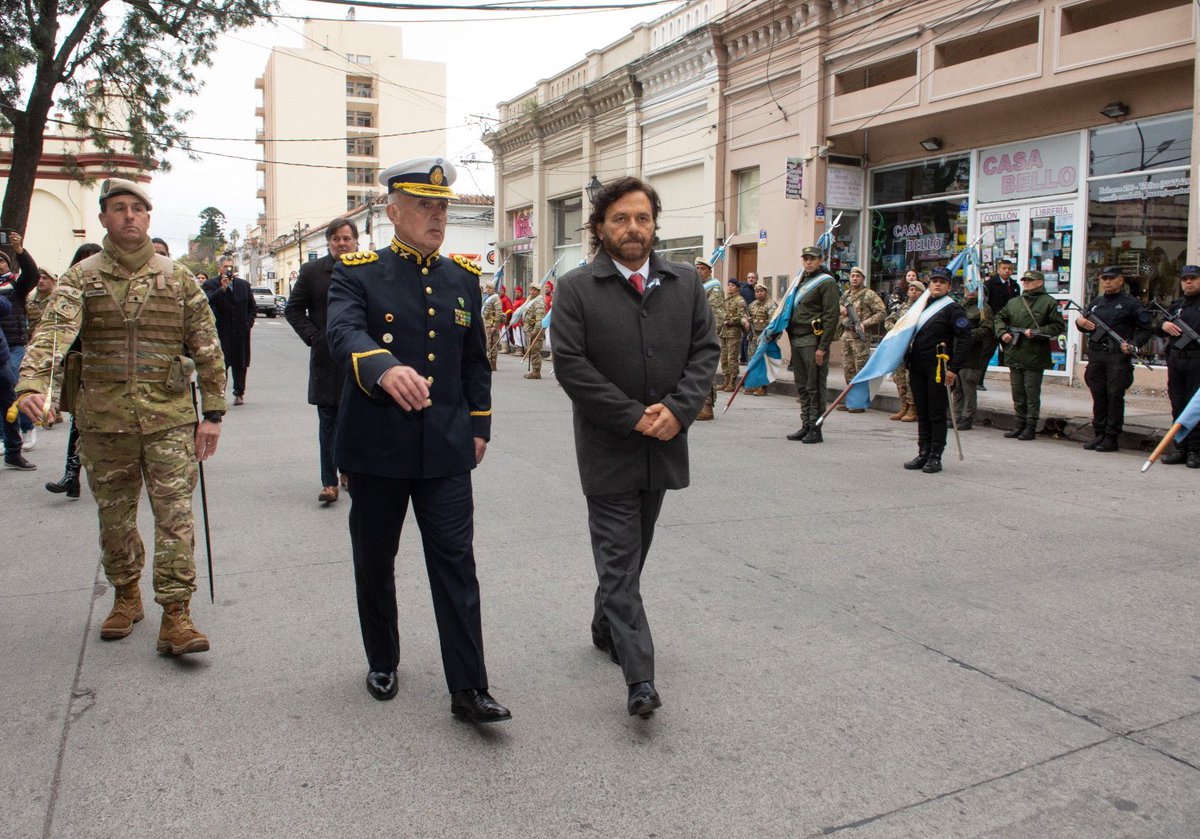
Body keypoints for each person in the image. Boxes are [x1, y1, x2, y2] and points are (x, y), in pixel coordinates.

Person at [325, 156, 509, 723]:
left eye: (442, 207)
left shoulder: (461, 278)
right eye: (424, 206)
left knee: (456, 563)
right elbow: (342, 331)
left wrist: (478, 426)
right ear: (393, 210)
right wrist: (382, 366)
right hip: (377, 448)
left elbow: (475, 360)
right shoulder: (356, 271)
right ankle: (383, 657)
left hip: (447, 449)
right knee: (375, 559)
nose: (437, 216)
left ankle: (469, 688)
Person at [15, 178, 225, 654]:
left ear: (148, 219)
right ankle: (126, 596)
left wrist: (212, 413)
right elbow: (53, 333)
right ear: (104, 218)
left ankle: (177, 615)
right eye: (118, 208)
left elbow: (208, 347)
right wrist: (33, 384)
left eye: (137, 208)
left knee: (175, 517)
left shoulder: (179, 278)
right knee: (115, 518)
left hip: (169, 420)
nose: (129, 215)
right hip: (104, 421)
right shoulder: (82, 277)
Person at [550, 175, 718, 719]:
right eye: (620, 218)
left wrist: (678, 410)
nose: (633, 229)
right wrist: (632, 417)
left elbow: (705, 351)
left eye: (642, 218)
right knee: (620, 561)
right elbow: (571, 365)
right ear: (600, 227)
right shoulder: (576, 288)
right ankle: (640, 677)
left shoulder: (685, 282)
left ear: (654, 225)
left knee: (632, 554)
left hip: (664, 445)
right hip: (608, 448)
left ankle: (605, 624)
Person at [285, 217, 359, 504]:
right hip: (327, 360)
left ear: (355, 241)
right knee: (328, 421)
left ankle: (349, 470)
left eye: (347, 238)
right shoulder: (312, 272)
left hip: (359, 359)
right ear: (329, 242)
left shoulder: (367, 268)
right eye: (336, 239)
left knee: (354, 420)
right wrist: (315, 337)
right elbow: (293, 310)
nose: (342, 243)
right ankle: (329, 482)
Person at [45, 242, 103, 497]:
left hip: (108, 365)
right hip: (78, 364)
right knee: (79, 420)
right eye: (83, 260)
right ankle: (72, 475)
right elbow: (55, 334)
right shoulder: (67, 293)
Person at [901, 268, 971, 473]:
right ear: (929, 284)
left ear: (949, 286)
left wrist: (955, 368)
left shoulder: (953, 309)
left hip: (939, 367)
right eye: (934, 281)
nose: (937, 285)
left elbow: (965, 339)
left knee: (936, 413)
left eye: (942, 282)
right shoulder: (921, 306)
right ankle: (923, 452)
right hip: (917, 366)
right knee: (922, 412)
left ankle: (935, 455)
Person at [1075, 266, 1151, 452]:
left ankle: (1111, 436)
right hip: (1096, 355)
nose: (1107, 282)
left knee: (1114, 396)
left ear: (1121, 280)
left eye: (1111, 278)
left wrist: (1133, 344)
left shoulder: (1130, 303)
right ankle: (1099, 433)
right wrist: (1080, 323)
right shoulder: (1097, 302)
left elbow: (1145, 328)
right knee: (1098, 394)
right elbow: (1086, 325)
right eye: (1104, 278)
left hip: (1117, 356)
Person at [993, 269, 1065, 440]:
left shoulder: (1049, 302)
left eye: (1030, 280)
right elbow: (999, 318)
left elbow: (1058, 326)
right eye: (1024, 280)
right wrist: (1003, 333)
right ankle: (1019, 424)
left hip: (1035, 355)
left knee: (1031, 393)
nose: (1025, 283)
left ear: (1040, 282)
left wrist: (1037, 332)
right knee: (1017, 393)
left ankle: (1030, 426)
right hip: (1015, 353)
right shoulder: (1014, 302)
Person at [785, 245, 840, 443]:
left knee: (814, 386)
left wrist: (822, 347)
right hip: (797, 339)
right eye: (805, 258)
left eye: (812, 258)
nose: (808, 262)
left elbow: (831, 316)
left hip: (813, 340)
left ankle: (816, 428)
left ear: (820, 260)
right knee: (802, 386)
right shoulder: (802, 281)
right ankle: (806, 424)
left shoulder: (826, 283)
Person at [0, 233, 42, 460]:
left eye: (1, 260)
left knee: (14, 386)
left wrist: (19, 250)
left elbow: (33, 275)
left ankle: (27, 427)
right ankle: (5, 437)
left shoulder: (16, 283)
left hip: (14, 344)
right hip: (0, 343)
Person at [1158, 265, 1200, 467]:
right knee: (1178, 405)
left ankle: (1195, 450)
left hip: (1197, 360)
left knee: (1195, 407)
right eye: (1185, 279)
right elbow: (1158, 325)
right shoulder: (1176, 306)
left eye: (1193, 278)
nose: (1188, 282)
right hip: (1176, 360)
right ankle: (1180, 447)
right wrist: (1163, 325)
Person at [202, 257, 255, 406]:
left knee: (240, 364)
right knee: (220, 365)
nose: (228, 270)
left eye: (231, 267)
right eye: (225, 267)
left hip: (240, 332)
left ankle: (239, 393)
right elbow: (207, 301)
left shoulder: (243, 285)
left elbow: (252, 307)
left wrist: (248, 323)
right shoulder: (210, 284)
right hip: (221, 331)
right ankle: (220, 394)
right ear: (219, 268)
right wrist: (222, 289)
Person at [837, 266, 885, 412]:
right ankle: (850, 400)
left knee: (861, 369)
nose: (855, 278)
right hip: (847, 335)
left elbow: (881, 312)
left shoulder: (869, 294)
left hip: (860, 337)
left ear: (863, 278)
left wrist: (865, 323)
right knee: (848, 368)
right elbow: (839, 309)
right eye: (852, 275)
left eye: (858, 276)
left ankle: (859, 402)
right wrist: (841, 311)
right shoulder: (846, 294)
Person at [951, 286, 993, 430]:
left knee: (968, 386)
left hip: (972, 353)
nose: (971, 292)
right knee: (956, 387)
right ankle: (956, 416)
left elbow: (986, 330)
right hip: (956, 352)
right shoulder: (958, 306)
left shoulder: (983, 308)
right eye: (968, 289)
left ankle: (967, 417)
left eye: (974, 289)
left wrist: (967, 334)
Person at [886, 280, 923, 422]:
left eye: (917, 290)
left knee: (910, 380)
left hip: (915, 349)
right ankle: (904, 406)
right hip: (901, 348)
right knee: (899, 378)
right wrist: (896, 329)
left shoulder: (924, 308)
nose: (913, 292)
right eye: (911, 289)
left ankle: (913, 408)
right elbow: (888, 321)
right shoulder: (902, 308)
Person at [695, 256, 722, 420]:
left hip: (707, 334)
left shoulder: (714, 288)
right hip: (694, 333)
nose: (698, 271)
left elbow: (716, 313)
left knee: (705, 369)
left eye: (702, 269)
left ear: (709, 271)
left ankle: (707, 406)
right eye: (696, 268)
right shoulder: (698, 286)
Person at [745, 283, 777, 396]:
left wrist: (766, 336)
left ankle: (762, 387)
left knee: (763, 362)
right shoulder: (752, 304)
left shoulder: (771, 305)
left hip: (765, 337)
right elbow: (746, 316)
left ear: (766, 292)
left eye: (761, 291)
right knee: (752, 360)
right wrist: (745, 322)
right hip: (753, 336)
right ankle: (753, 384)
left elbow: (773, 323)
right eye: (757, 291)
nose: (759, 293)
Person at [719, 278, 748, 391]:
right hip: (724, 332)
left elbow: (742, 316)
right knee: (724, 358)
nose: (730, 287)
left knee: (732, 358)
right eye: (729, 285)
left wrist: (730, 321)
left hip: (733, 333)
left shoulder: (739, 300)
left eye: (732, 285)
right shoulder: (726, 300)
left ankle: (732, 381)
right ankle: (726, 380)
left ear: (737, 288)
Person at [522, 281, 546, 379]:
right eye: (531, 289)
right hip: (529, 329)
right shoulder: (531, 300)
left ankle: (536, 372)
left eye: (534, 290)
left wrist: (535, 330)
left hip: (535, 330)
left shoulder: (539, 301)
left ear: (538, 291)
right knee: (532, 350)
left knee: (535, 350)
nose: (531, 291)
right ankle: (534, 370)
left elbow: (539, 318)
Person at [25, 269, 56, 336]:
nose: (40, 281)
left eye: (44, 278)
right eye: (38, 278)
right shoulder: (28, 300)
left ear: (53, 281)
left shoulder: (58, 300)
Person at [481, 281, 504, 371]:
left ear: (493, 289)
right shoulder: (489, 298)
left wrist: (495, 326)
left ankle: (492, 363)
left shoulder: (495, 298)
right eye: (487, 288)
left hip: (491, 325)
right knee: (488, 344)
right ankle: (489, 362)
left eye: (489, 288)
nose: (487, 290)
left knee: (492, 345)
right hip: (487, 324)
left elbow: (498, 313)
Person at [498, 284, 514, 353]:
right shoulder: (499, 299)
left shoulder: (506, 299)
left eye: (502, 290)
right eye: (500, 290)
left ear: (504, 291)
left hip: (504, 320)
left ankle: (505, 348)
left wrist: (505, 315)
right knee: (501, 334)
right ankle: (503, 347)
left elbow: (509, 309)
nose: (500, 292)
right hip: (500, 320)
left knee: (504, 334)